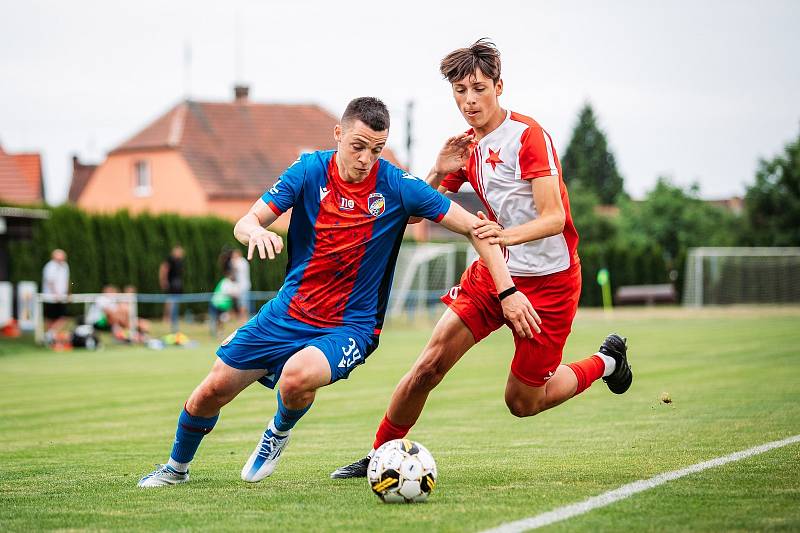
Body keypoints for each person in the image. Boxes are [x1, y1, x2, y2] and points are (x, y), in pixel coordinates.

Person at [137, 96, 539, 487]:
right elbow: (245, 222)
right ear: (337, 135)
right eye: (358, 146)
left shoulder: (395, 183)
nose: (366, 158)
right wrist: (256, 230)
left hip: (350, 326)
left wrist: (507, 292)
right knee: (211, 390)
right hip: (287, 313)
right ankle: (175, 468)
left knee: (295, 379)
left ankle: (277, 432)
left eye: (377, 150)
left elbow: (473, 227)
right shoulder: (309, 171)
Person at [331, 40, 632, 479]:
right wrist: (435, 169)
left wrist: (504, 234)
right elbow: (414, 210)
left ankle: (607, 362)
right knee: (429, 364)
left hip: (550, 284)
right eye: (459, 90)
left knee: (523, 402)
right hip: (494, 274)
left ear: (498, 86)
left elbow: (554, 217)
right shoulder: (465, 147)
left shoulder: (529, 137)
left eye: (477, 88)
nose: (468, 100)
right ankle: (380, 456)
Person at [42, 249, 70, 339]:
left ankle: (49, 335)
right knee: (50, 318)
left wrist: (68, 293)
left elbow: (66, 281)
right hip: (51, 297)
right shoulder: (50, 266)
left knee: (62, 317)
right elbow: (50, 282)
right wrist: (56, 294)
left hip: (62, 297)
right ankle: (49, 336)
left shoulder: (65, 266)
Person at [159, 245, 184, 333]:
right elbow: (163, 269)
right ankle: (166, 318)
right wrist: (163, 280)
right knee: (169, 301)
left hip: (177, 284)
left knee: (175, 302)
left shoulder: (179, 261)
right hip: (171, 284)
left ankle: (174, 318)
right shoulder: (170, 259)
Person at [208, 269, 240, 337]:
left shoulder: (231, 283)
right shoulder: (225, 282)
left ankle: (219, 333)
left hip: (223, 305)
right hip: (218, 304)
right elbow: (230, 293)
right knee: (218, 319)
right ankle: (217, 333)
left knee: (220, 319)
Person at [230, 248, 251, 319]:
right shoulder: (242, 261)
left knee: (243, 305)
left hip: (243, 287)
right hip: (240, 287)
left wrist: (232, 262)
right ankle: (243, 319)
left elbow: (234, 269)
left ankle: (244, 320)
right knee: (241, 304)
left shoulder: (241, 261)